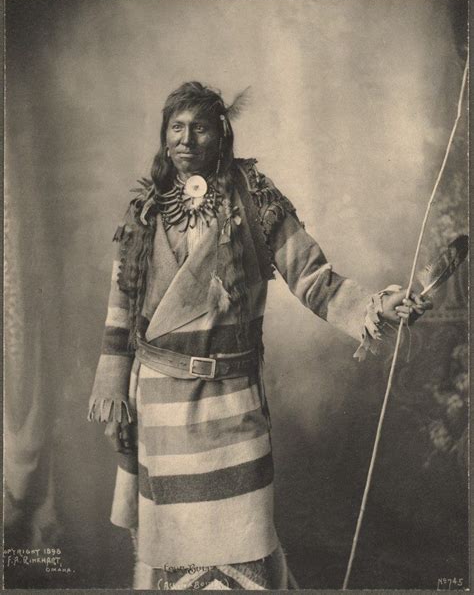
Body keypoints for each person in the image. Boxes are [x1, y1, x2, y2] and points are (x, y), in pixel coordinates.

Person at [88, 82, 431, 590]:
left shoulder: (255, 200)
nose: (186, 139)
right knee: (175, 561)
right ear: (164, 137)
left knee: (244, 549)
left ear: (221, 134)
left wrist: (375, 306)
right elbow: (122, 309)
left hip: (231, 403)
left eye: (199, 127)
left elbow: (315, 279)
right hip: (161, 408)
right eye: (176, 128)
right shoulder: (144, 211)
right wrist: (115, 389)